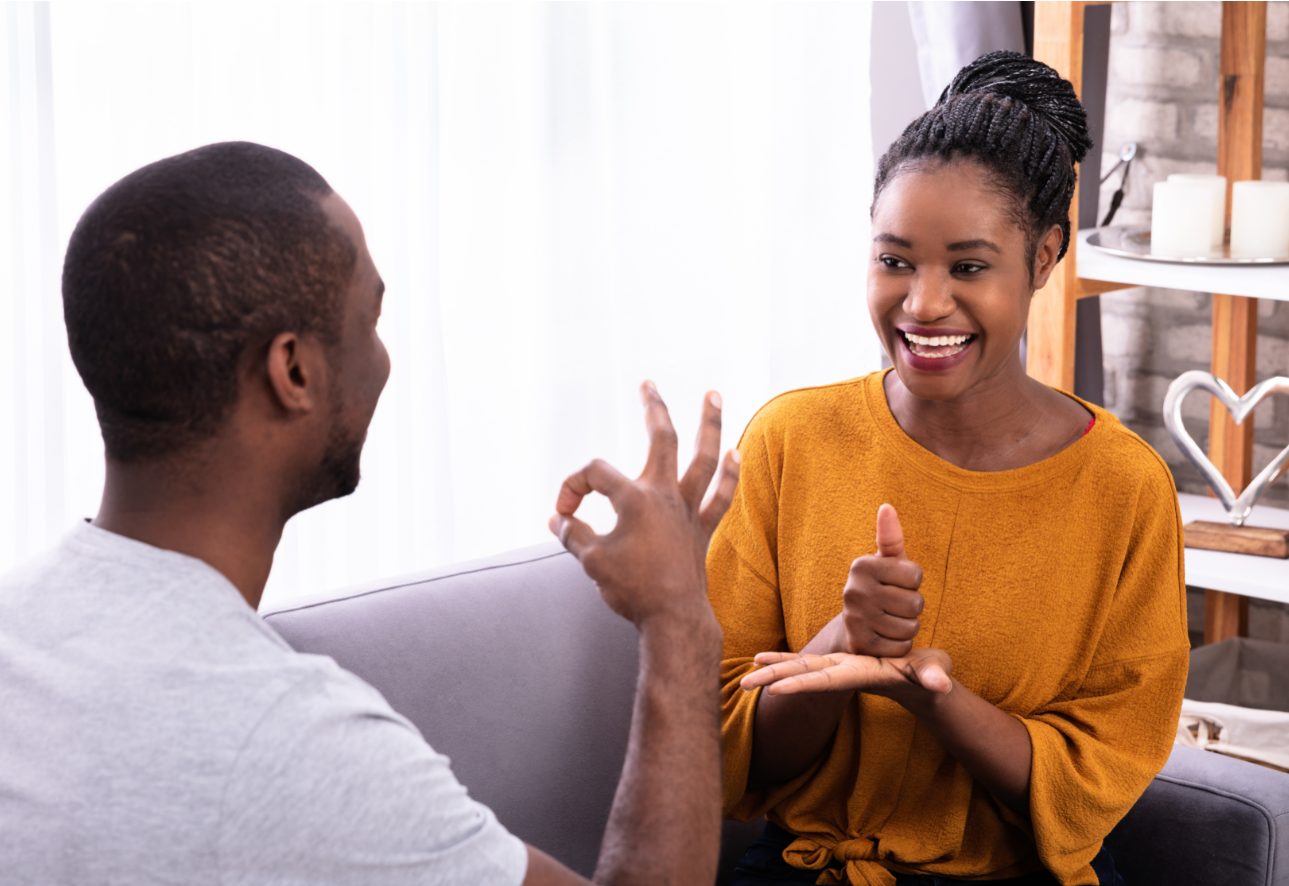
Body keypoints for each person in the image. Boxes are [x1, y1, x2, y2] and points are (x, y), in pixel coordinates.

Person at [0, 141, 740, 885]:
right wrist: (675, 615)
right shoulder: (296, 746)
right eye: (369, 317)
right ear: (293, 371)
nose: (383, 358)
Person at [709, 51, 1188, 886]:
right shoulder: (791, 440)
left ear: (1042, 259)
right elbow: (720, 750)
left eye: (968, 267)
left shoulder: (1123, 488)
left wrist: (933, 697)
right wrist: (840, 645)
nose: (923, 304)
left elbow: (1095, 783)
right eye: (894, 260)